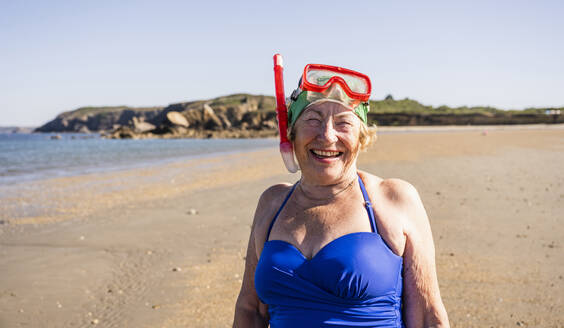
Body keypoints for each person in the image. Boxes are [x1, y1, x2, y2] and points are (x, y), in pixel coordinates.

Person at [233, 62, 449, 327]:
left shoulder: (393, 199)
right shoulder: (272, 202)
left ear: (361, 137)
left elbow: (428, 314)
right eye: (313, 120)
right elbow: (250, 309)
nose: (327, 136)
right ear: (292, 134)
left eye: (343, 123)